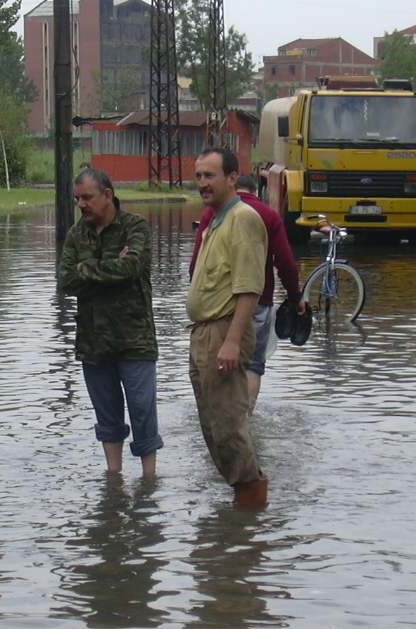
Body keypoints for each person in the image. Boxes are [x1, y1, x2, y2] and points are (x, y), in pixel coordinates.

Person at [58, 168, 163, 477]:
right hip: (93, 340)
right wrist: (109, 268)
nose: (81, 204)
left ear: (107, 195)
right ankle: (113, 480)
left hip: (134, 338)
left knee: (143, 412)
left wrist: (86, 269)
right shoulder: (76, 234)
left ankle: (149, 480)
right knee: (107, 416)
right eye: (77, 199)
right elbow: (65, 281)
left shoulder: (135, 227)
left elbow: (131, 268)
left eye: (87, 197)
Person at [188, 148, 269, 506]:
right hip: (205, 332)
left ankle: (251, 515)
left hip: (224, 332)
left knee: (227, 427)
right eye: (199, 176)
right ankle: (241, 505)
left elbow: (250, 286)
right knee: (212, 426)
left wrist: (232, 341)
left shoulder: (242, 219)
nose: (203, 183)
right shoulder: (216, 218)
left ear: (233, 178)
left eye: (210, 175)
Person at [190, 175, 306, 414]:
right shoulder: (268, 215)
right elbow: (286, 263)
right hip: (258, 303)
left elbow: (196, 265)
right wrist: (295, 297)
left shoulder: (213, 214)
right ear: (256, 190)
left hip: (217, 308)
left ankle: (221, 418)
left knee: (216, 364)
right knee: (253, 365)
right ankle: (246, 418)